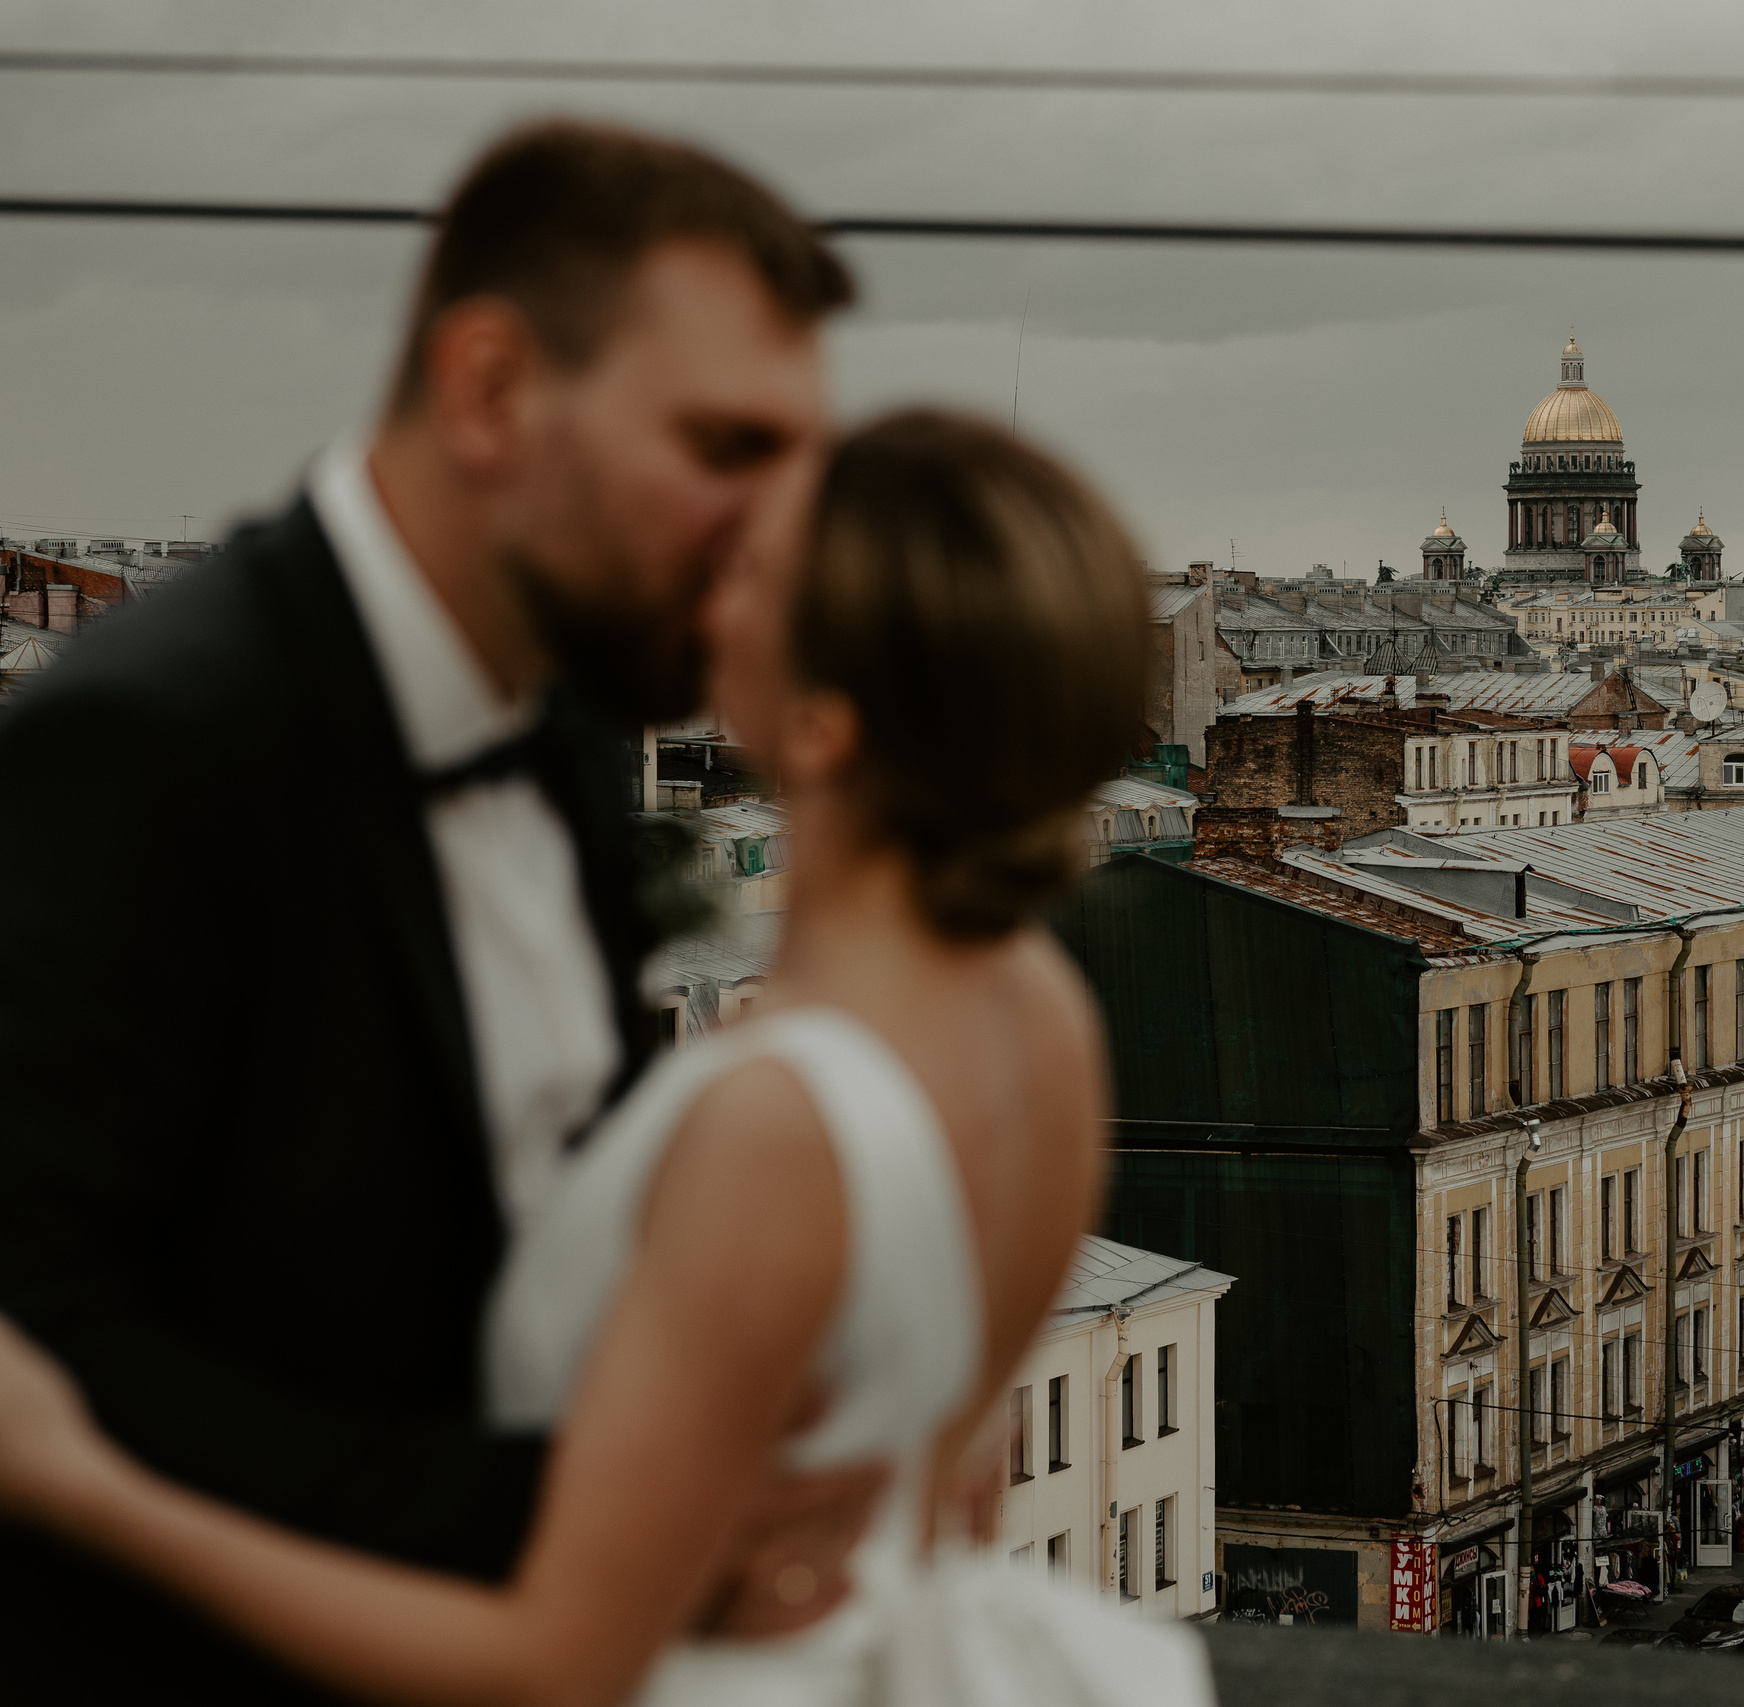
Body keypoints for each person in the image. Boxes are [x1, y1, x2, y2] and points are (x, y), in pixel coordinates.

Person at [0, 406, 1210, 1705]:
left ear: (820, 726)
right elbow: (940, 1475)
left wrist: (80, 1478)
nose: (706, 576)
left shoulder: (774, 1119)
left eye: (750, 571)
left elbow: (552, 1665)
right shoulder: (1037, 1013)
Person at [0, 121, 869, 1704]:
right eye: (727, 447)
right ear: (488, 391)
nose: (777, 530)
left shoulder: (570, 724)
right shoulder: (148, 736)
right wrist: (588, 1518)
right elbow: (39, 1341)